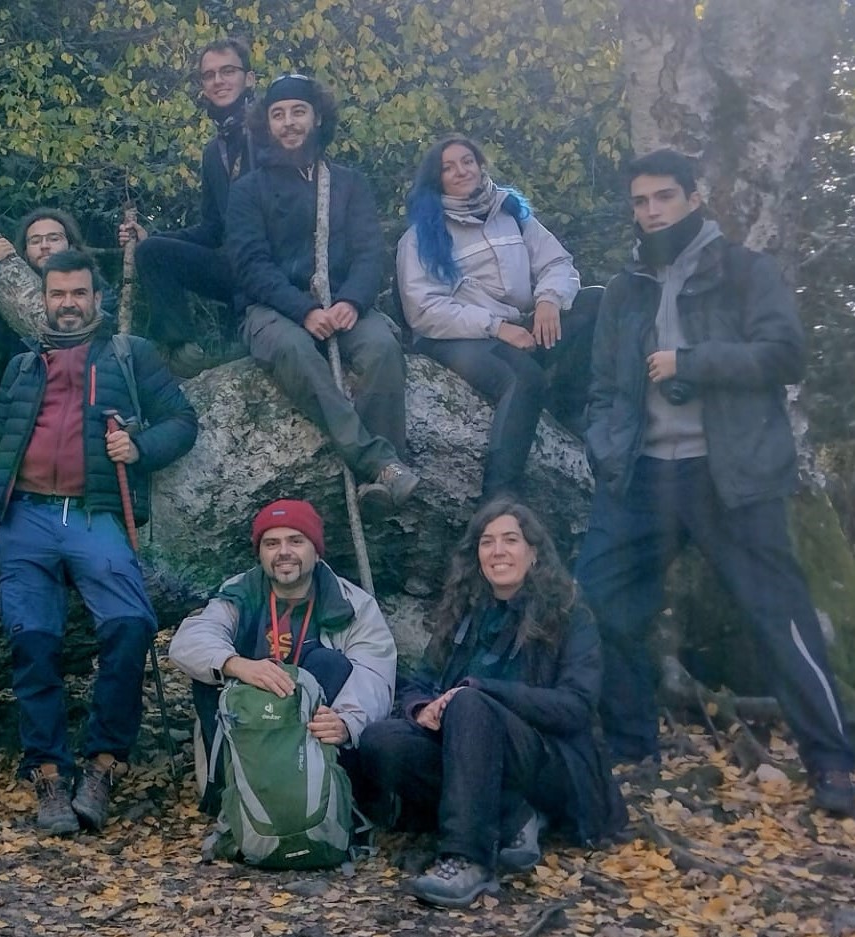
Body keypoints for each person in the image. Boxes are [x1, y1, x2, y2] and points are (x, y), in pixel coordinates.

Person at [576, 149, 854, 816]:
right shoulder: (625, 286)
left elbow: (785, 354)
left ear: (695, 196)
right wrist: (603, 444)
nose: (651, 211)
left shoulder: (744, 270)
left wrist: (692, 362)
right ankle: (632, 744)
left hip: (729, 472)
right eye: (640, 202)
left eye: (664, 197)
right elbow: (605, 386)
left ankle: (833, 760)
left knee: (778, 615)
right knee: (596, 600)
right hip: (643, 475)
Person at [0, 250, 198, 835]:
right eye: (58, 295)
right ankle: (48, 772)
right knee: (32, 639)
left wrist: (140, 447)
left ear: (97, 300)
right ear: (43, 300)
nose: (68, 305)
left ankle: (102, 763)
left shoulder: (129, 354)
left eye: (78, 294)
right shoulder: (24, 366)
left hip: (96, 514)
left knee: (130, 624)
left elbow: (182, 419)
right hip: (26, 516)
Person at [355, 501, 626, 908]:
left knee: (470, 704)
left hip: (550, 761)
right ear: (477, 555)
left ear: (533, 552)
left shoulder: (570, 613)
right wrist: (421, 708)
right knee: (380, 740)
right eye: (487, 542)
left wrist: (482, 691)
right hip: (471, 752)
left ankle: (467, 859)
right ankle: (512, 814)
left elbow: (576, 707)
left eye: (510, 540)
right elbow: (420, 683)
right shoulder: (466, 613)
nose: (498, 551)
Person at [227, 74, 417, 508]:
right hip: (272, 309)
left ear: (317, 118)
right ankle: (376, 461)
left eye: (298, 112)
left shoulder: (348, 183)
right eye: (278, 115)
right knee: (296, 350)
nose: (288, 123)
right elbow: (250, 264)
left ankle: (380, 485)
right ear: (266, 124)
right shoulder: (248, 190)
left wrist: (352, 300)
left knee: (382, 348)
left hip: (344, 303)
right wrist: (305, 310)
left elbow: (371, 251)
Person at [167, 499, 396, 812]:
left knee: (329, 663)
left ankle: (319, 799)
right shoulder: (241, 592)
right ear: (260, 553)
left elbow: (374, 673)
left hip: (313, 733)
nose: (283, 552)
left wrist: (345, 721)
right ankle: (229, 790)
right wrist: (237, 665)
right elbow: (189, 640)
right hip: (249, 729)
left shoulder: (352, 603)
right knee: (210, 669)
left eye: (296, 541)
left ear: (316, 551)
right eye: (271, 543)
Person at [398, 134, 589, 502]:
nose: (460, 171)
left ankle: (568, 407)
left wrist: (549, 299)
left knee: (596, 304)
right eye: (448, 167)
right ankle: (499, 499)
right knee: (524, 379)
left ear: (480, 164)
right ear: (436, 179)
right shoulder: (420, 235)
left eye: (467, 161)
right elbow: (423, 310)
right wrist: (496, 327)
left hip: (521, 324)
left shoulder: (512, 214)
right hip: (458, 337)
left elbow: (557, 262)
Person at [120, 36, 259, 374]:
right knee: (152, 252)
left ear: (249, 79)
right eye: (209, 75)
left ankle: (244, 334)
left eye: (228, 71)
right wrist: (152, 236)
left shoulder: (271, 132)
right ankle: (182, 352)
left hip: (275, 264)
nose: (218, 81)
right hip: (234, 266)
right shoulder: (214, 152)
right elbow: (212, 229)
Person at [0, 208, 116, 358]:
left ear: (70, 245)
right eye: (35, 241)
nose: (45, 246)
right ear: (25, 252)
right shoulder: (12, 296)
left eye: (54, 238)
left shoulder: (94, 285)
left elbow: (103, 322)